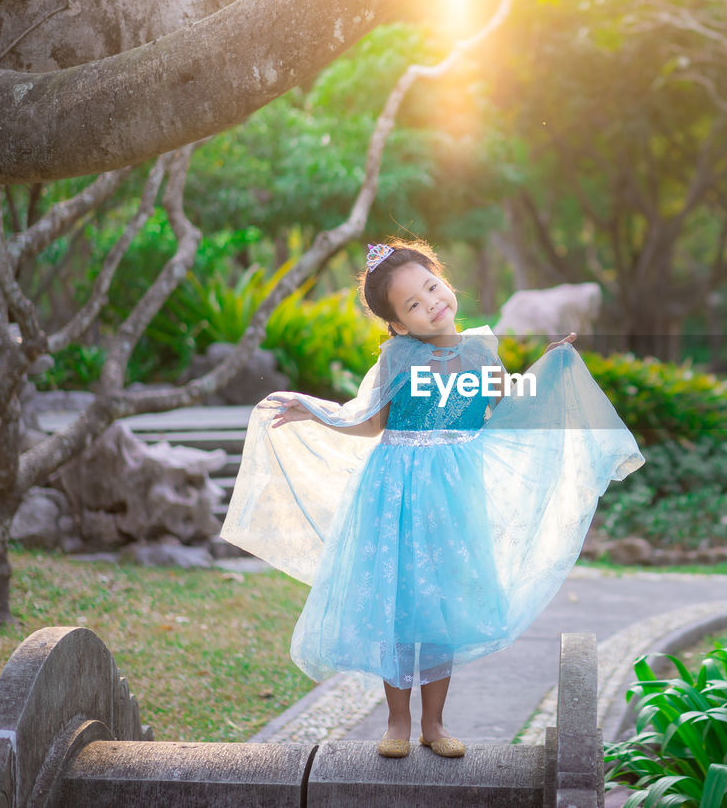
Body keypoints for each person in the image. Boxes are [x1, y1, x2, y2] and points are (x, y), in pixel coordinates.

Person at [220, 239, 644, 760]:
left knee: (441, 607)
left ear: (445, 281)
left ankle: (434, 724)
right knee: (400, 609)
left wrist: (547, 370)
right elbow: (370, 420)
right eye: (412, 306)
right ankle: (397, 723)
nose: (430, 304)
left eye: (431, 288)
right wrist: (319, 412)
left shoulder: (482, 351)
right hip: (395, 492)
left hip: (454, 496)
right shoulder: (399, 358)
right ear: (398, 326)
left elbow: (502, 407)